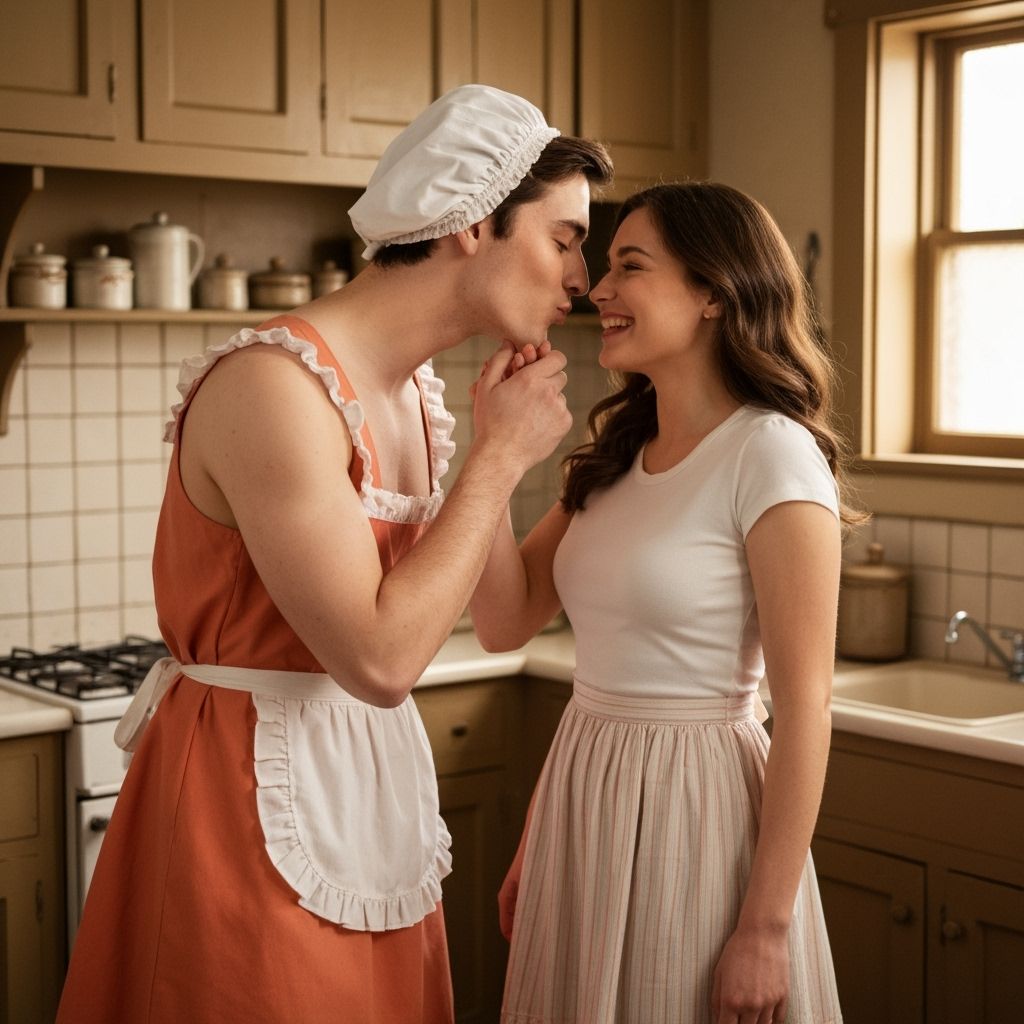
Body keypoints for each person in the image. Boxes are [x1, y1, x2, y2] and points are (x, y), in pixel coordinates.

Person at [56, 84, 612, 1024]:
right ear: (474, 223)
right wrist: (497, 459)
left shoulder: (416, 395)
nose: (582, 279)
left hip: (367, 798)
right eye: (564, 239)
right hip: (240, 809)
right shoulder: (273, 387)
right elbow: (381, 660)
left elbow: (497, 617)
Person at [470, 181, 856, 1024]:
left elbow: (806, 709)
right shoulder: (616, 450)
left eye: (629, 266)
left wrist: (765, 927)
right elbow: (505, 620)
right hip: (583, 793)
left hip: (697, 806)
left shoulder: (771, 454)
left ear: (713, 291)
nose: (597, 289)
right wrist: (492, 456)